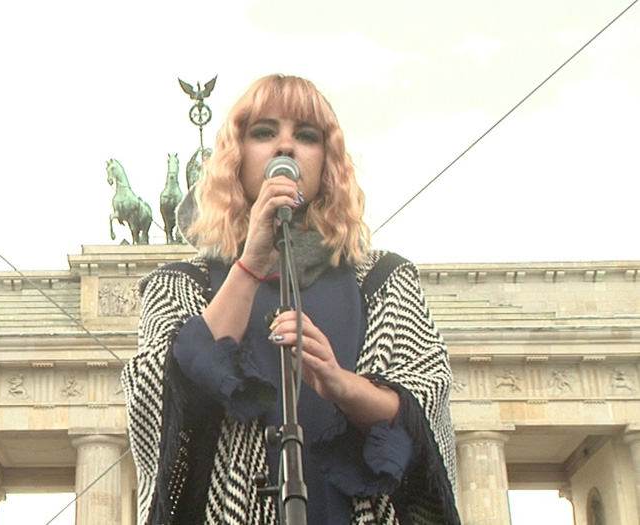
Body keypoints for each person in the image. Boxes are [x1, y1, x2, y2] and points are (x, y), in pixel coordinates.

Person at [122, 74, 460, 525]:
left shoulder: (381, 278)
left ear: (327, 161)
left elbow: (426, 401)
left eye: (306, 135)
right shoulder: (180, 283)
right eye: (264, 132)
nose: (285, 147)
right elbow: (160, 395)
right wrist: (251, 262)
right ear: (235, 157)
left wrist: (341, 384)